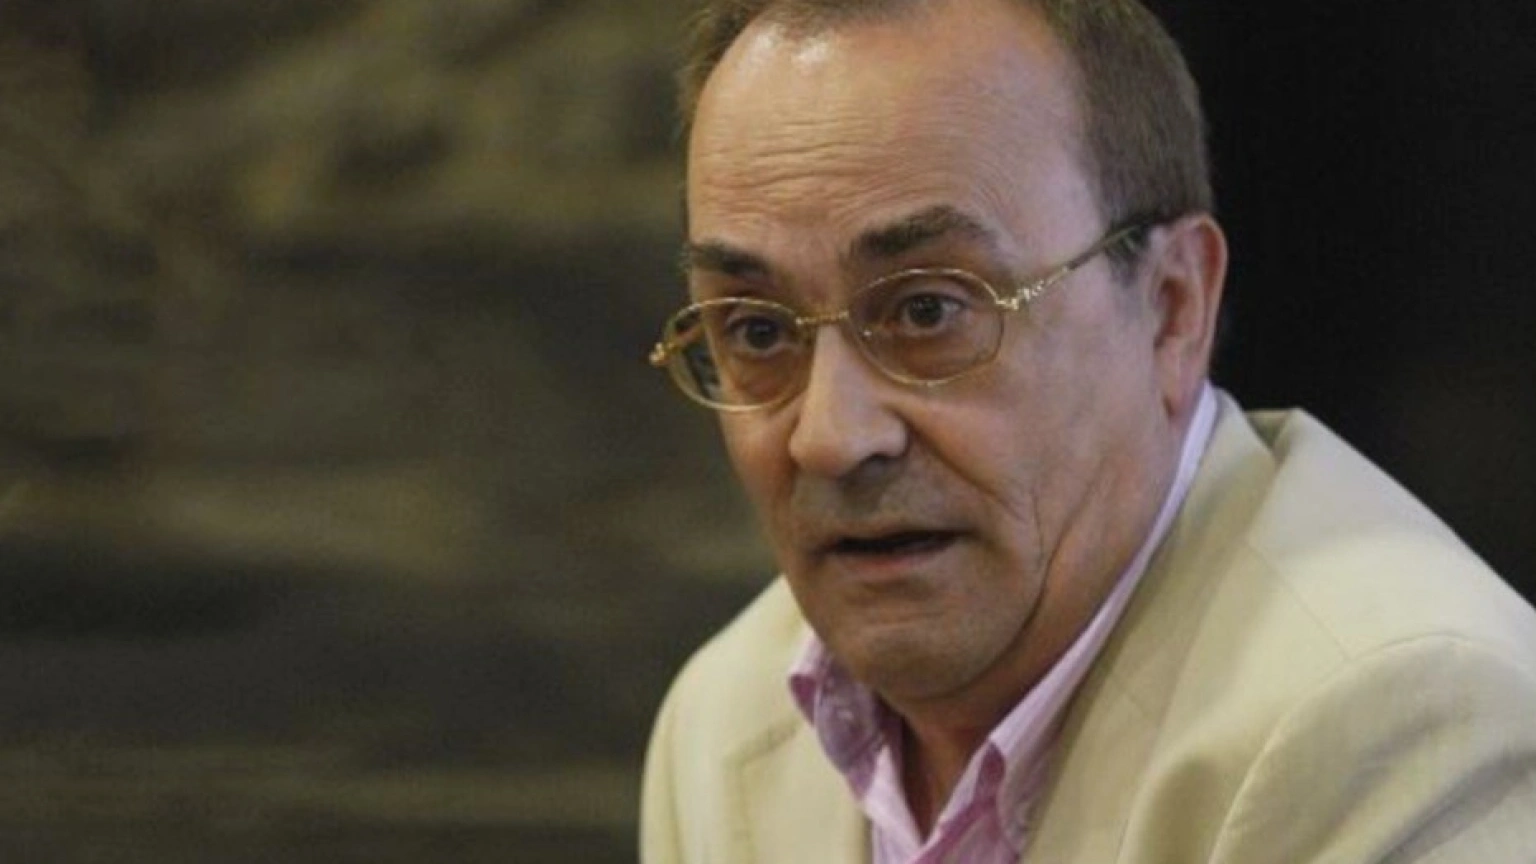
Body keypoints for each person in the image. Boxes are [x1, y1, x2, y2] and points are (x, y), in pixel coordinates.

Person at [639, 0, 1536, 860]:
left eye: (928, 310)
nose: (831, 437)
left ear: (1171, 308)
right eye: (757, 330)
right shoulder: (725, 722)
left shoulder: (1399, 724)